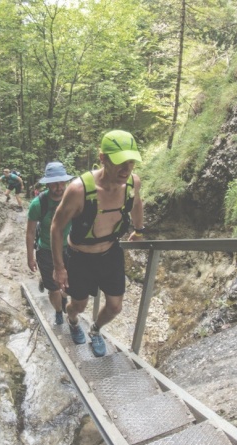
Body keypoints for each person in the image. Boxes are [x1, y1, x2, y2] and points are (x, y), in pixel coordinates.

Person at [50, 130, 145, 357]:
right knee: (78, 306)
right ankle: (72, 320)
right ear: (102, 158)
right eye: (120, 162)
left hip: (110, 253)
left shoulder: (132, 184)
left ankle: (95, 330)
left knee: (115, 306)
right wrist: (59, 267)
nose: (126, 169)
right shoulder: (78, 190)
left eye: (131, 162)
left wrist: (139, 230)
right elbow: (57, 226)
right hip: (80, 258)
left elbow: (137, 205)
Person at [26, 162, 73, 325]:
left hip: (70, 249)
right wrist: (30, 257)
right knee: (53, 289)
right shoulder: (38, 204)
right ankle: (59, 311)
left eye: (62, 182)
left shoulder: (73, 198)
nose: (59, 187)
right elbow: (30, 231)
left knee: (68, 286)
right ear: (48, 183)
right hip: (46, 250)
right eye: (55, 183)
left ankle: (61, 294)